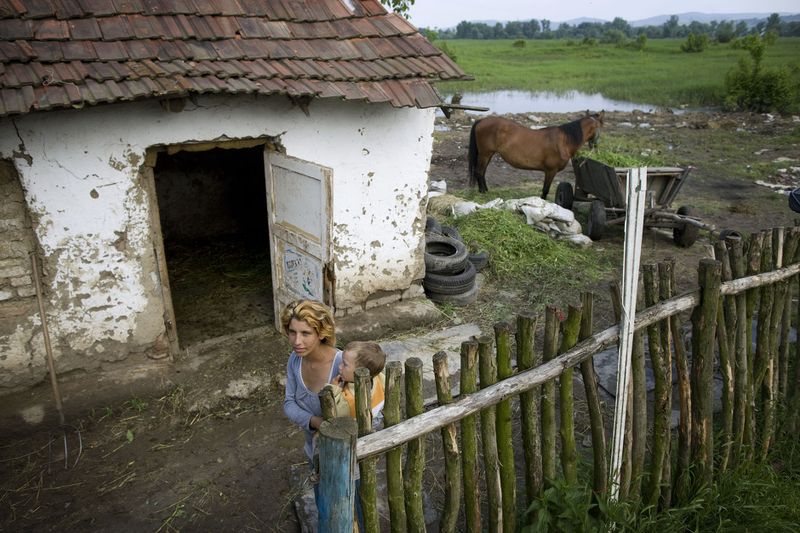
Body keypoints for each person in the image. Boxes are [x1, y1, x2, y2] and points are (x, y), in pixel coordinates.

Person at [281, 299, 342, 462]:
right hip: (313, 451)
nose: (296, 341)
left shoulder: (343, 366)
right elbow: (289, 404)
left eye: (305, 333)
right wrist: (316, 422)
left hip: (344, 458)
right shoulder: (295, 360)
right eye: (292, 332)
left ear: (322, 333)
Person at [331, 341, 387, 429]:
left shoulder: (348, 398)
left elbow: (335, 413)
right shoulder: (379, 378)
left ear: (360, 371)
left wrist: (333, 388)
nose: (339, 366)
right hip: (377, 425)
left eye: (345, 364)